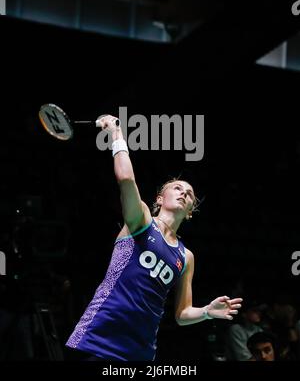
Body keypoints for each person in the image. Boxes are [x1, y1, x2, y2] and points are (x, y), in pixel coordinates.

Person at [65, 115, 243, 361]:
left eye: (189, 194)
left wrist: (206, 312)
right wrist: (117, 134)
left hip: (140, 351)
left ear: (190, 211)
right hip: (98, 337)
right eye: (178, 188)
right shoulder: (142, 221)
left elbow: (182, 314)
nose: (184, 193)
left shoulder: (186, 256)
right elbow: (126, 179)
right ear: (160, 198)